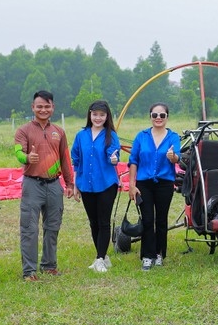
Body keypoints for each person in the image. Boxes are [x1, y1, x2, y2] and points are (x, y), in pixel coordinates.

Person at [14, 90, 75, 280]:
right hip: (32, 185)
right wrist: (27, 157)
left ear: (53, 108)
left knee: (53, 226)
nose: (43, 109)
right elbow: (18, 152)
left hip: (54, 185)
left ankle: (49, 265)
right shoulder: (23, 131)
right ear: (33, 107)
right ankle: (29, 271)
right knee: (29, 228)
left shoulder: (59, 131)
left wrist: (70, 183)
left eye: (47, 106)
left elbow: (65, 159)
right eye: (39, 106)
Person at [128, 102, 181, 271]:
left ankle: (159, 253)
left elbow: (177, 159)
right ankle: (147, 255)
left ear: (167, 117)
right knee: (147, 219)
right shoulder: (141, 136)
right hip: (144, 184)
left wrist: (172, 157)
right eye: (155, 115)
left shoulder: (173, 137)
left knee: (161, 220)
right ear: (150, 117)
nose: (158, 118)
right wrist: (131, 184)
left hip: (164, 183)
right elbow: (133, 161)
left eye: (162, 115)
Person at [71, 100, 122, 273]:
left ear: (107, 116)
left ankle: (99, 259)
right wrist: (76, 184)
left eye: (102, 114)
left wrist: (114, 159)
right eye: (95, 114)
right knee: (93, 223)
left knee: (103, 221)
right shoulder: (81, 135)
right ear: (90, 115)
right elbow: (76, 161)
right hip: (86, 184)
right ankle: (103, 256)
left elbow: (113, 155)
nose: (98, 118)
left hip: (106, 183)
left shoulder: (111, 135)